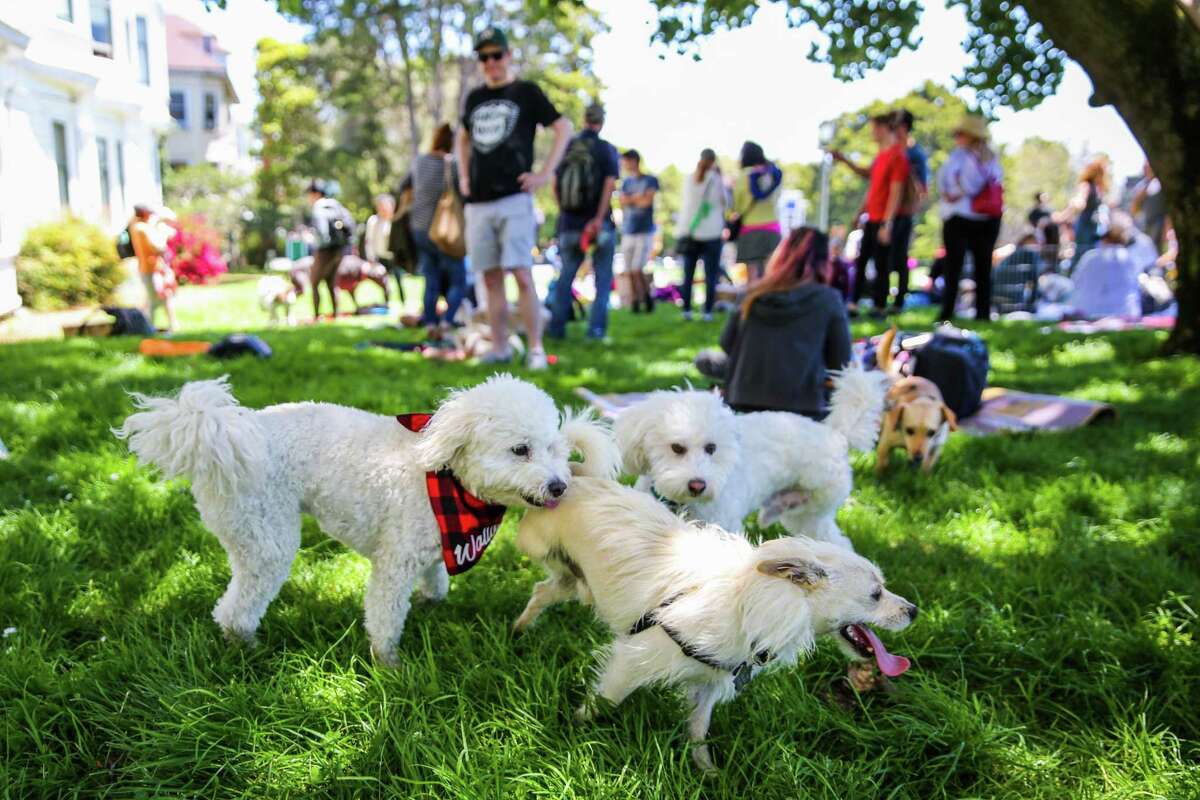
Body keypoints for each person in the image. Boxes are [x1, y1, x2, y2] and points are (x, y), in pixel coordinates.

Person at [454, 25, 572, 368]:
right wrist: (463, 174)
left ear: (508, 55)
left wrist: (545, 173)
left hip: (514, 198)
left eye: (496, 55)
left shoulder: (527, 92)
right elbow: (462, 138)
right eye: (484, 57)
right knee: (489, 277)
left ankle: (535, 349)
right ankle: (501, 347)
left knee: (521, 273)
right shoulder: (474, 98)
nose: (491, 62)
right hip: (478, 202)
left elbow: (563, 128)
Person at [703, 227, 850, 418]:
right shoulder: (828, 300)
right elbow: (841, 363)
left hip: (742, 402)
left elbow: (726, 344)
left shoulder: (752, 294)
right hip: (803, 408)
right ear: (824, 261)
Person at [547, 102, 619, 341]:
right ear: (602, 122)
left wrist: (565, 211)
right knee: (603, 279)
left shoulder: (567, 147)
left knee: (565, 277)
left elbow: (555, 184)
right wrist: (598, 218)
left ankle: (556, 329)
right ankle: (596, 331)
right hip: (599, 226)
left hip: (569, 224)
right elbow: (610, 184)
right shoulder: (605, 149)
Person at [832, 113, 912, 317]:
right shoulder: (880, 156)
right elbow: (872, 185)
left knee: (882, 264)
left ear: (886, 129)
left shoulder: (897, 156)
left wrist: (887, 223)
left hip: (884, 219)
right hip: (872, 217)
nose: (872, 133)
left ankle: (879, 305)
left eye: (876, 128)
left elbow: (896, 191)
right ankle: (854, 303)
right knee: (861, 261)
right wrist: (861, 212)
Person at [935, 114, 1003, 321]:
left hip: (973, 218)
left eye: (960, 133)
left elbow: (968, 184)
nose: (956, 137)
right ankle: (952, 310)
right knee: (958, 267)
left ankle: (978, 312)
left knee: (977, 267)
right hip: (966, 218)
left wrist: (957, 192)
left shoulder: (981, 158)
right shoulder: (960, 156)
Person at [403, 123, 467, 337]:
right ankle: (447, 322)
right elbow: (463, 193)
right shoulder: (452, 164)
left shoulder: (419, 162)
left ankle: (430, 322)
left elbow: (403, 186)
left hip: (419, 228)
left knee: (431, 279)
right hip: (443, 230)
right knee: (458, 279)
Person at [675, 148, 728, 321]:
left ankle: (687, 310)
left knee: (688, 274)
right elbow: (726, 202)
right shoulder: (716, 179)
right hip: (712, 232)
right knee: (710, 275)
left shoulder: (690, 179)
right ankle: (707, 311)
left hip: (691, 231)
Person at [1070, 211, 1144, 319]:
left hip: (1088, 312)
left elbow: (1076, 281)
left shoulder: (1090, 257)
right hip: (1125, 313)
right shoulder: (1130, 258)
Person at [729, 141, 783, 282]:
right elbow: (777, 198)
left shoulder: (743, 175)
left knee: (751, 278)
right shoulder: (774, 174)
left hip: (750, 229)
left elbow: (737, 206)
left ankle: (753, 303)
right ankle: (770, 303)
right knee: (770, 275)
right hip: (772, 228)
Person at [618, 148, 659, 313]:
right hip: (628, 230)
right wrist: (637, 198)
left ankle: (647, 298)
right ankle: (635, 301)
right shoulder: (626, 183)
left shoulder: (650, 180)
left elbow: (646, 202)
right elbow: (622, 201)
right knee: (628, 270)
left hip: (644, 230)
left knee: (637, 268)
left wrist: (631, 199)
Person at [306, 180, 354, 319]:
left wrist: (318, 242)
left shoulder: (318, 207)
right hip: (339, 250)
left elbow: (322, 232)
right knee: (332, 282)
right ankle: (336, 313)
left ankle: (316, 316)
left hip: (324, 250)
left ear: (315, 194)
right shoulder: (335, 205)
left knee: (314, 283)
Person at [130, 204, 178, 332]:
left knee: (161, 297)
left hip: (155, 268)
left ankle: (170, 326)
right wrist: (163, 233)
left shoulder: (138, 226)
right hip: (150, 269)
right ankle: (148, 329)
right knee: (154, 300)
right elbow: (158, 247)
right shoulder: (141, 228)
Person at [1061, 156, 1109, 270]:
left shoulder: (1099, 188)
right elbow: (1079, 200)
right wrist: (1066, 214)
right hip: (1085, 227)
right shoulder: (1086, 185)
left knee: (1093, 255)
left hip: (1095, 228)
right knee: (1081, 256)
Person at [1131, 161, 1169, 251]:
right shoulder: (1141, 186)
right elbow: (1134, 210)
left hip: (1161, 224)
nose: (1147, 169)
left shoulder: (1162, 184)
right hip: (1145, 225)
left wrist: (1167, 228)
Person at [1028, 191, 1061, 269]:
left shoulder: (1050, 210)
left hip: (1051, 240)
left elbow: (1056, 219)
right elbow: (1032, 222)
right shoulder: (1035, 211)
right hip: (1040, 239)